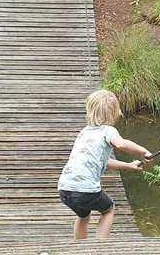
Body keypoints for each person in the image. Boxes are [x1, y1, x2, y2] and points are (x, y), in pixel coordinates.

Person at [58, 90, 152, 240]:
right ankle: (100, 248)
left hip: (64, 190)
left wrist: (129, 165)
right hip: (86, 190)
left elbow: (104, 161)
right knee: (109, 209)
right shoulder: (108, 130)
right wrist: (143, 151)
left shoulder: (84, 132)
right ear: (115, 112)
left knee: (83, 216)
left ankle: (79, 249)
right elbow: (121, 144)